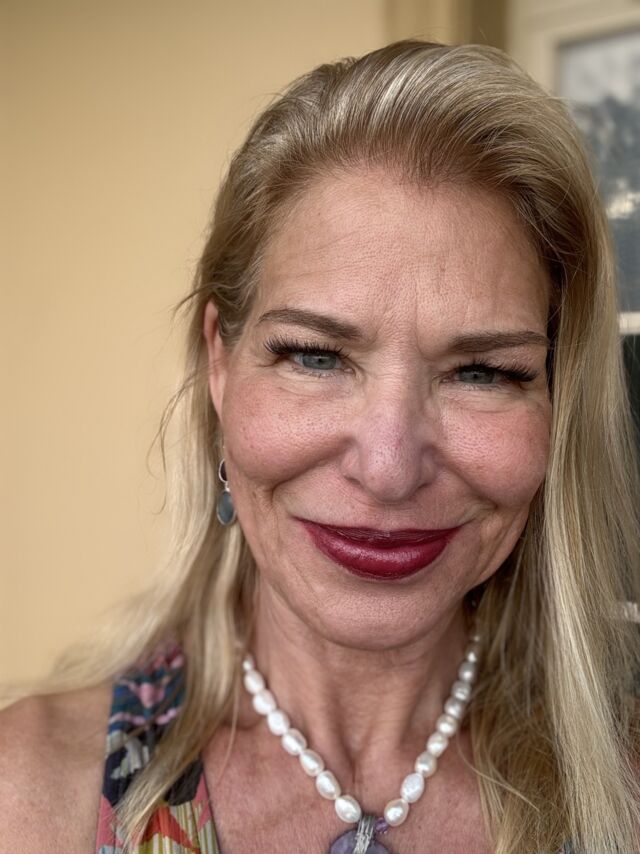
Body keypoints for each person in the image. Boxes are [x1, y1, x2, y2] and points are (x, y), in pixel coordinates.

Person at [1, 38, 639, 853]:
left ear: (556, 396)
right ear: (221, 363)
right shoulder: (29, 798)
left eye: (482, 372)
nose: (389, 468)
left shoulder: (623, 792)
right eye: (315, 356)